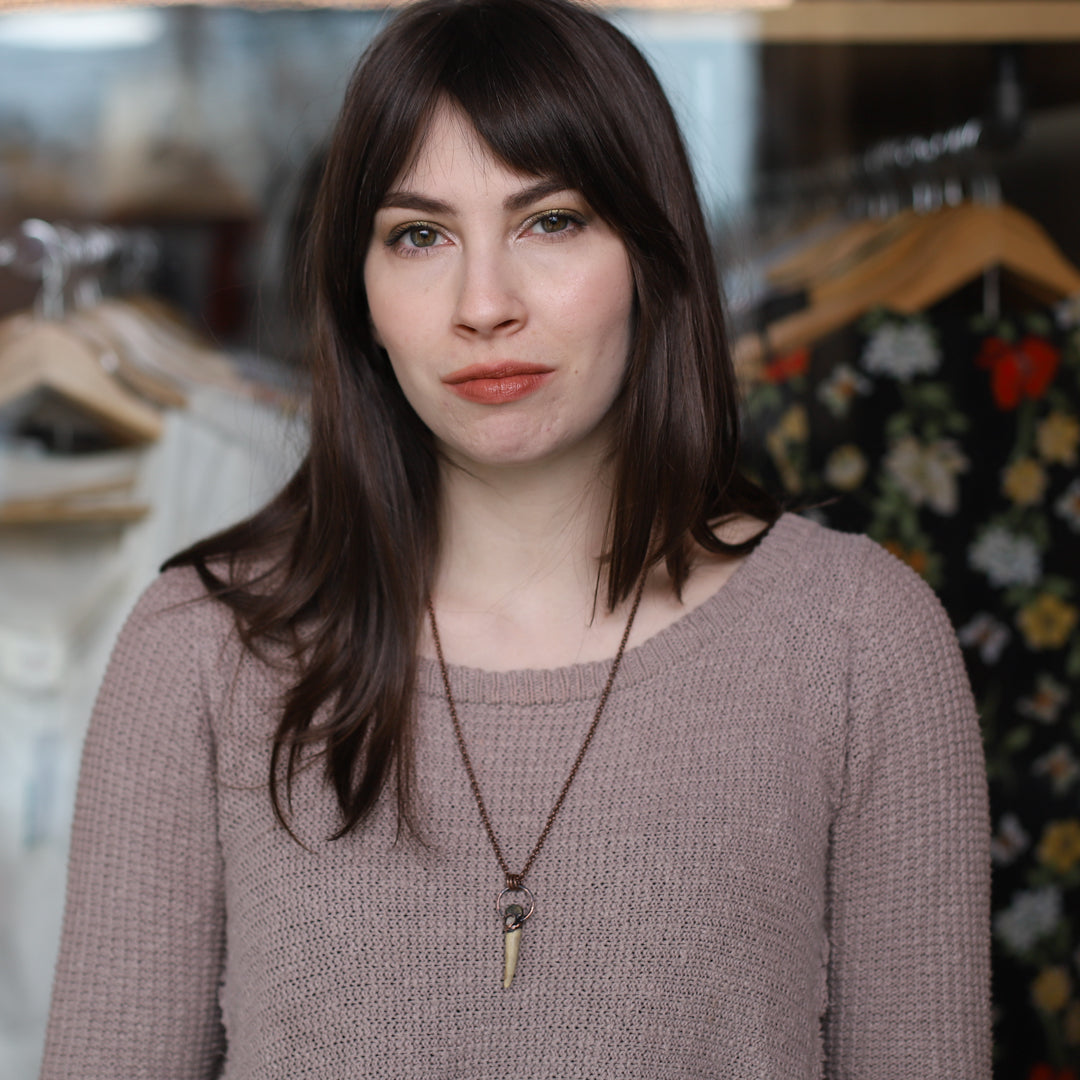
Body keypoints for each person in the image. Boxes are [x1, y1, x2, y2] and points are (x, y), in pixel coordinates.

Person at [40, 0, 991, 1076]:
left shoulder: (860, 642)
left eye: (552, 221)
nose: (482, 303)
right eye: (419, 236)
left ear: (651, 252)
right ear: (361, 294)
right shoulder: (201, 650)